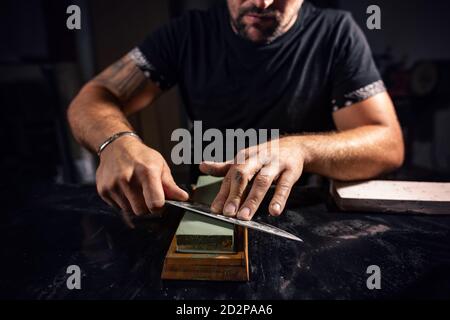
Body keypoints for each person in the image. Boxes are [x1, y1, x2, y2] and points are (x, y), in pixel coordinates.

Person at [67, 0, 404, 222]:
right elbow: (94, 96)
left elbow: (387, 142)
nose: (261, 2)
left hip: (301, 212)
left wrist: (301, 148)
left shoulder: (335, 34)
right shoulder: (187, 33)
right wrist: (116, 142)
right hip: (205, 207)